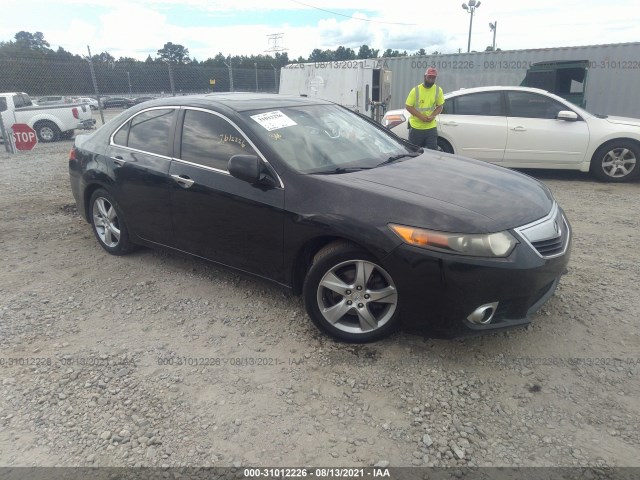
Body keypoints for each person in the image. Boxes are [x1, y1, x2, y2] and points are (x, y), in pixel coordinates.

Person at [405, 67, 445, 150]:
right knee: (413, 152)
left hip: (430, 127)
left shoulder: (438, 90)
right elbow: (408, 106)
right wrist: (421, 117)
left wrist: (432, 116)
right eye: (429, 77)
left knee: (433, 152)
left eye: (433, 78)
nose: (431, 80)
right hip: (416, 127)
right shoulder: (416, 90)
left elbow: (440, 106)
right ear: (424, 77)